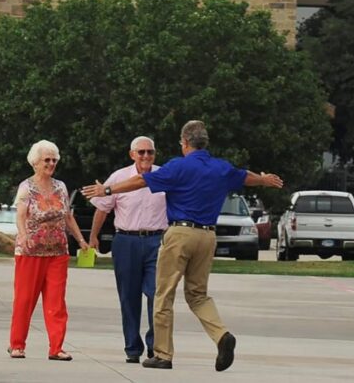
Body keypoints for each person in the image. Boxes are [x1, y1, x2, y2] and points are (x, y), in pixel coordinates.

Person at [81, 120, 283, 371]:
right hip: (208, 236)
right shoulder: (221, 167)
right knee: (198, 295)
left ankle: (163, 354)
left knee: (163, 294)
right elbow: (245, 177)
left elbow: (141, 181)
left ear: (185, 143)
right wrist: (264, 180)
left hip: (180, 234)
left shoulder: (178, 166)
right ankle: (221, 335)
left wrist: (107, 190)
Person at [89, 136, 168, 364]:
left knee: (156, 294)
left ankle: (156, 346)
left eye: (150, 152)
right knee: (129, 296)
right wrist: (93, 236)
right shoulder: (119, 177)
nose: (146, 156)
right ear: (132, 154)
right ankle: (133, 348)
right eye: (141, 152)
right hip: (126, 240)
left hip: (156, 240)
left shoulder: (164, 175)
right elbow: (103, 208)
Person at [10, 140, 89, 361]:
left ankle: (56, 348)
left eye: (54, 160)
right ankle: (17, 345)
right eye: (47, 160)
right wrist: (23, 235)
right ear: (35, 162)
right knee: (25, 300)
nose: (51, 163)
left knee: (56, 302)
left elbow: (68, 216)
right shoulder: (26, 187)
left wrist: (81, 240)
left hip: (58, 251)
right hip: (30, 252)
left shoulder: (61, 187)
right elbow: (20, 215)